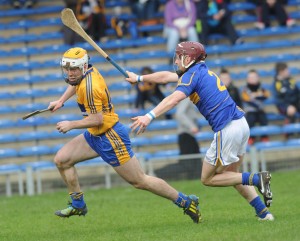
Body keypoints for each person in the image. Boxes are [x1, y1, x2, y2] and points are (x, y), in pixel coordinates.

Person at [47, 47, 201, 224]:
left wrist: (71, 124)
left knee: (140, 181)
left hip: (110, 137)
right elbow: (75, 84)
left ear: (83, 67)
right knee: (62, 160)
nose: (69, 73)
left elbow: (97, 119)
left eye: (73, 69)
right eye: (67, 69)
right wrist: (60, 101)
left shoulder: (91, 87)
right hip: (94, 135)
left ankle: (185, 201)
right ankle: (78, 203)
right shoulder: (86, 72)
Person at [126, 41, 274, 221]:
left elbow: (174, 99)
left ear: (188, 58)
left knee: (208, 179)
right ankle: (263, 214)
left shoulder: (191, 75)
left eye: (179, 57)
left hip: (227, 128)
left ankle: (258, 179)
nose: (176, 61)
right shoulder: (200, 71)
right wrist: (139, 78)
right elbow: (166, 77)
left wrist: (148, 116)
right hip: (241, 124)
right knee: (234, 176)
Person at [241, 69, 270, 145]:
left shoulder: (262, 88)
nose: (252, 79)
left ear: (258, 78)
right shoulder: (245, 89)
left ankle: (264, 136)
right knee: (250, 121)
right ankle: (251, 137)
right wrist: (258, 95)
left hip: (260, 110)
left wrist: (255, 96)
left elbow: (266, 95)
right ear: (247, 79)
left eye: (254, 77)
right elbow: (247, 99)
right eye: (250, 77)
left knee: (264, 120)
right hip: (250, 111)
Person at [175, 97, 202, 178]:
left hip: (189, 135)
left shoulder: (188, 99)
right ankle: (158, 174)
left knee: (195, 161)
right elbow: (179, 114)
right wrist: (192, 126)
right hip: (186, 134)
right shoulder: (186, 98)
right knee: (187, 164)